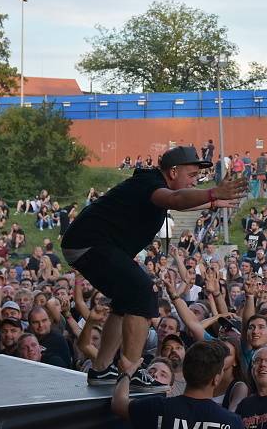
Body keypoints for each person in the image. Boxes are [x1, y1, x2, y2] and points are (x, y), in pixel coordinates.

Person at [61, 145, 247, 387]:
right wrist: (212, 193)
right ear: (172, 172)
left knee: (125, 301)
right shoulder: (149, 184)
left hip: (87, 243)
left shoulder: (153, 186)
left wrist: (212, 204)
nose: (194, 182)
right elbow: (176, 199)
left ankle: (101, 368)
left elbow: (178, 200)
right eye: (191, 176)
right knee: (142, 291)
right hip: (90, 243)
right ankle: (131, 370)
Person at [112, 340, 243, 428]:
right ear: (216, 378)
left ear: (185, 372)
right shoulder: (232, 422)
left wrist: (127, 374)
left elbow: (118, 404)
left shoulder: (157, 406)